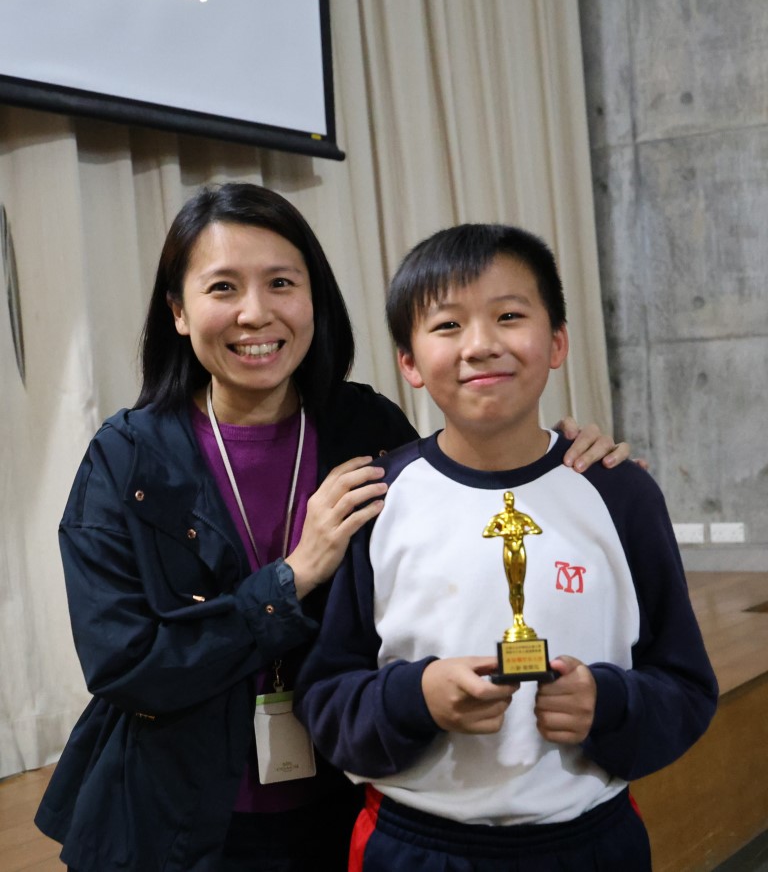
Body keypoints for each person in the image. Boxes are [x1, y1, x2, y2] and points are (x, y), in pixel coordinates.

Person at [34, 184, 632, 872]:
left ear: (314, 298)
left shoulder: (367, 428)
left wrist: (557, 463)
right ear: (178, 310)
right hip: (167, 818)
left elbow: (461, 546)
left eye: (281, 283)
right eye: (223, 287)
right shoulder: (126, 457)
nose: (255, 312)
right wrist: (291, 579)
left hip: (344, 805)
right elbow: (124, 664)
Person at [294, 223, 718, 872]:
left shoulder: (620, 492)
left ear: (557, 342)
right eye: (447, 325)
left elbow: (685, 686)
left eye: (509, 316)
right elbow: (325, 696)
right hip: (417, 848)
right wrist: (417, 696)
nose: (481, 344)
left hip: (589, 844)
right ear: (409, 363)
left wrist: (608, 705)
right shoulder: (378, 499)